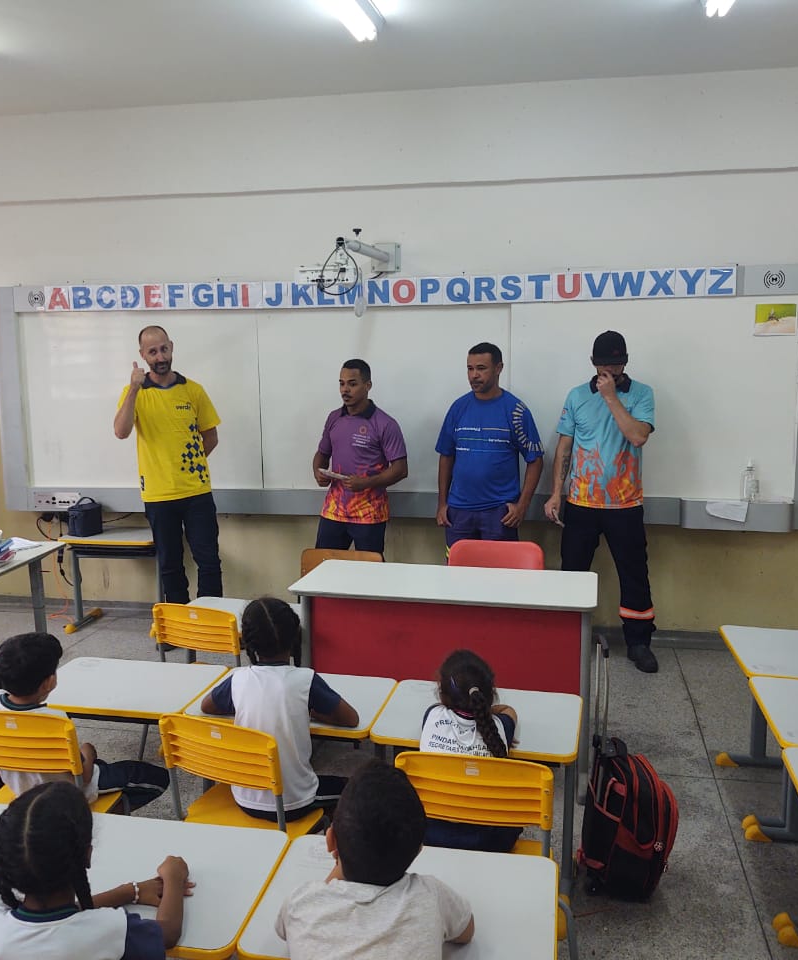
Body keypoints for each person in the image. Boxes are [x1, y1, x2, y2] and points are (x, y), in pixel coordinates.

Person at [275, 759, 475, 960]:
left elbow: (286, 933)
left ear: (330, 840)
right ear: (419, 850)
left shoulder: (300, 904)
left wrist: (338, 858)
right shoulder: (431, 896)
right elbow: (467, 931)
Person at [544, 331, 659, 673]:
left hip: (625, 505)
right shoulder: (577, 396)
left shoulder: (642, 393)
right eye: (604, 364)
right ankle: (567, 639)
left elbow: (637, 436)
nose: (611, 369)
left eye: (617, 363)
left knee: (634, 575)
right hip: (581, 504)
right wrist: (556, 493)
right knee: (572, 573)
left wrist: (611, 398)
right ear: (593, 363)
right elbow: (564, 448)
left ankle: (638, 643)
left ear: (626, 361)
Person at [0, 781, 193, 960]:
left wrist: (128, 892)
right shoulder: (109, 930)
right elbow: (168, 932)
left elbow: (51, 923)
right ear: (87, 855)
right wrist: (173, 877)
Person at [200, 597, 358, 820]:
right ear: (294, 637)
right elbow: (351, 719)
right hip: (294, 801)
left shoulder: (238, 680)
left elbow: (207, 706)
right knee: (355, 789)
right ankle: (329, 833)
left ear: (248, 641)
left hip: (244, 797)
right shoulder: (305, 679)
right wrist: (311, 712)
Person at [0, 632, 169, 810]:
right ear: (48, 682)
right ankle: (96, 818)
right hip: (67, 793)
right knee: (154, 777)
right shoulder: (53, 719)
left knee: (102, 764)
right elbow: (84, 776)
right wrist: (88, 751)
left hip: (20, 787)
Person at [113, 324, 222, 604]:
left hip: (197, 493)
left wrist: (188, 465)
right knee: (170, 565)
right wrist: (134, 389)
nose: (160, 357)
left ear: (171, 347)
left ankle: (209, 619)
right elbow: (121, 432)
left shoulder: (193, 390)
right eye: (153, 352)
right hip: (158, 495)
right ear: (142, 355)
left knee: (208, 561)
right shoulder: (134, 392)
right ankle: (176, 622)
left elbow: (210, 437)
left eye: (164, 349)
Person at [435, 342, 543, 552]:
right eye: (470, 368)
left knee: (499, 571)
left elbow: (535, 460)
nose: (474, 375)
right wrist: (442, 504)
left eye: (481, 368)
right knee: (458, 570)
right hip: (459, 512)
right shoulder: (458, 408)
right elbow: (446, 456)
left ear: (498, 368)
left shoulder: (516, 411)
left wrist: (522, 506)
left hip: (499, 513)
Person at [419, 649, 521, 851]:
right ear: (490, 694)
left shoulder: (432, 716)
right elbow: (509, 711)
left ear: (441, 693)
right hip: (490, 841)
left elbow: (440, 707)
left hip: (431, 834)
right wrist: (485, 711)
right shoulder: (500, 727)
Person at [312, 359, 408, 556]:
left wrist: (366, 483)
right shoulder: (334, 418)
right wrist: (318, 472)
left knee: (369, 571)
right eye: (341, 384)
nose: (345, 390)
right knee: (323, 567)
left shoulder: (385, 424)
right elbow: (322, 454)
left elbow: (401, 469)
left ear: (368, 385)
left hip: (369, 514)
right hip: (334, 511)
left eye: (352, 384)